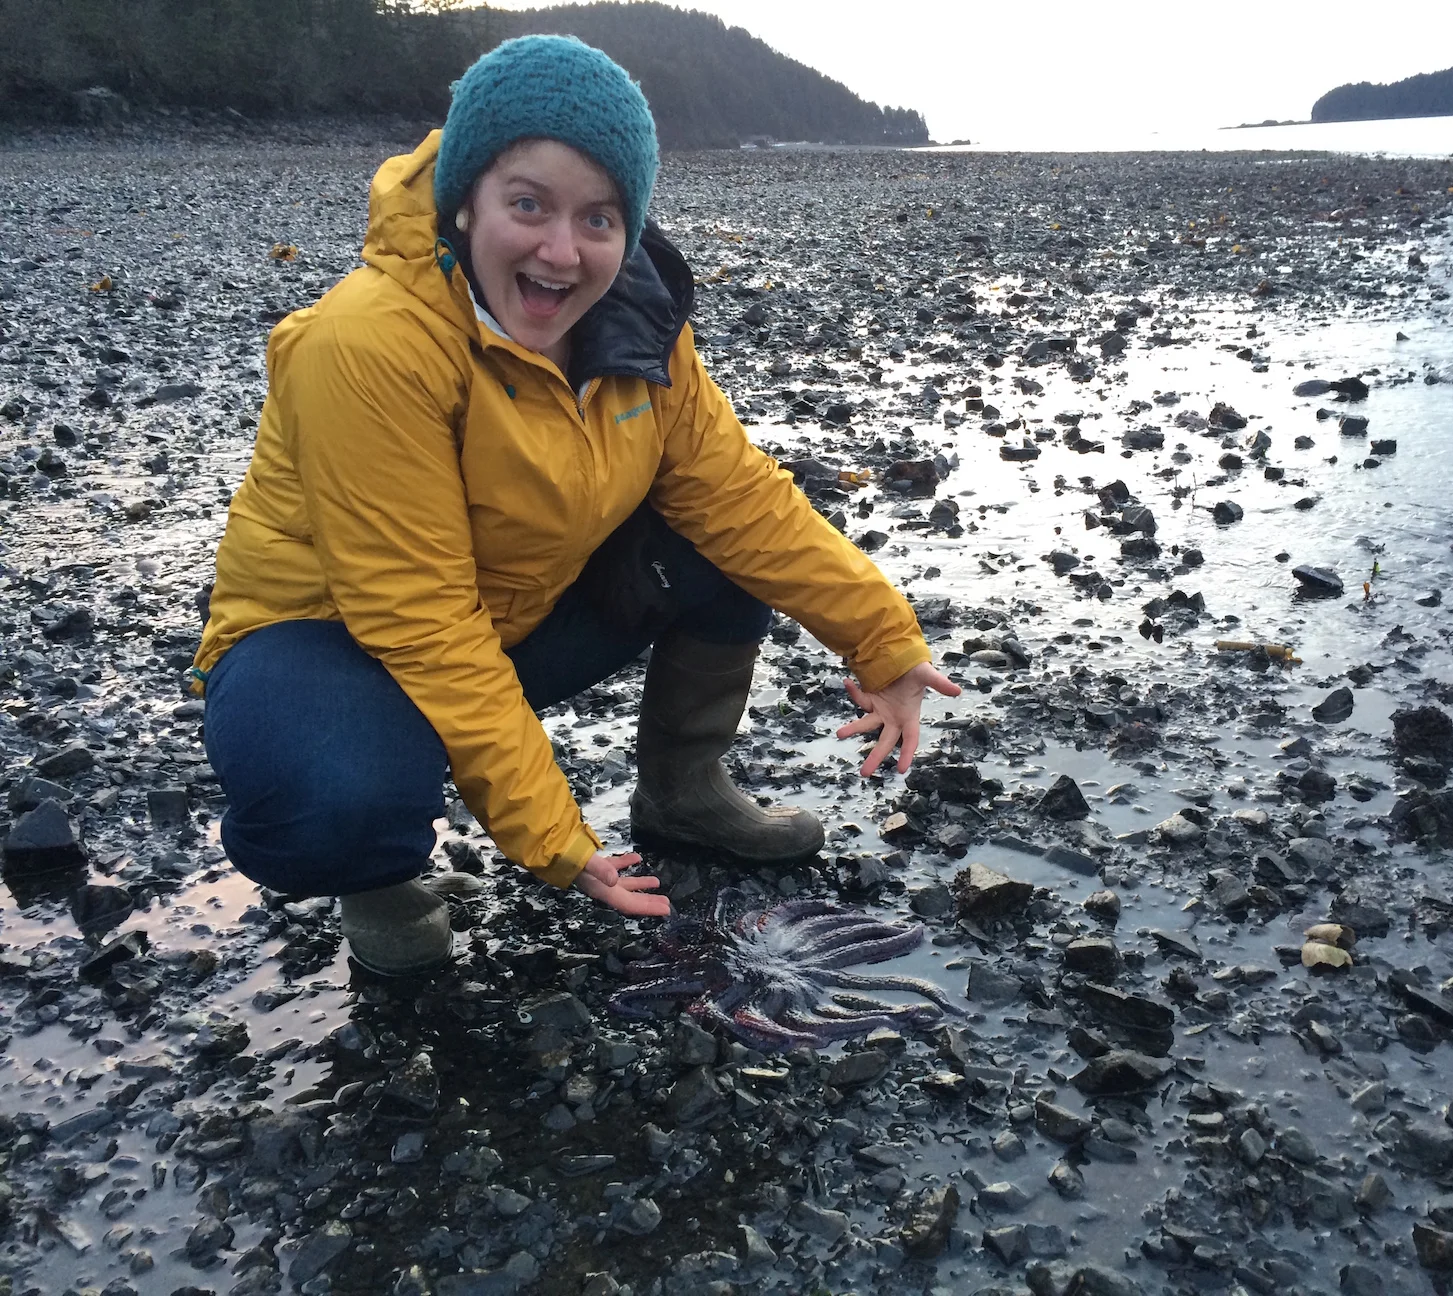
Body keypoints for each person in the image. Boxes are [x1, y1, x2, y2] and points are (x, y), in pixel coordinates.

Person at [190, 35, 958, 975]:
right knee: (332, 802)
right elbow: (421, 617)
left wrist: (885, 640)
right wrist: (556, 838)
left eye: (599, 218)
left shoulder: (638, 326)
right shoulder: (367, 345)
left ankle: (683, 791)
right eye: (528, 204)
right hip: (328, 639)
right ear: (464, 199)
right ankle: (377, 873)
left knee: (717, 537)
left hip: (511, 618)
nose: (562, 251)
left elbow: (743, 500)